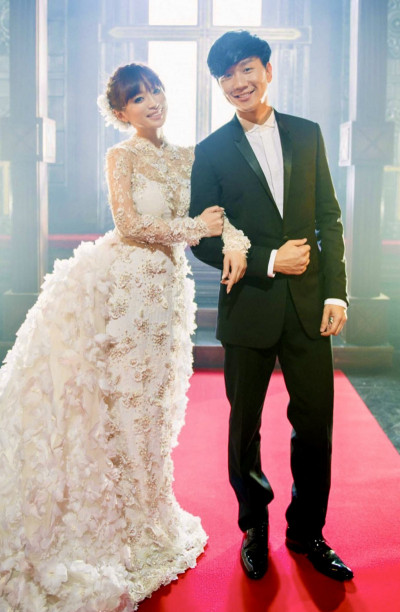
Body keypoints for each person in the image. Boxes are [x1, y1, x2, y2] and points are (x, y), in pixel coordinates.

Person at [0, 63, 249, 611]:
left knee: (156, 404)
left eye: (155, 90)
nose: (152, 101)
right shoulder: (122, 156)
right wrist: (195, 229)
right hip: (128, 288)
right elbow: (130, 224)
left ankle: (152, 506)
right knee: (129, 402)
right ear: (121, 112)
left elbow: (217, 214)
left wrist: (235, 241)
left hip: (169, 294)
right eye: (138, 98)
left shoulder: (188, 156)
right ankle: (130, 519)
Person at [189, 30, 354, 582]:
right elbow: (202, 236)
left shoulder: (307, 134)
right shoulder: (211, 151)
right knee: (245, 429)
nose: (238, 82)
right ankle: (254, 528)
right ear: (220, 85)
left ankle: (308, 531)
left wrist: (336, 291)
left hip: (310, 307)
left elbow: (328, 219)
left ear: (267, 69)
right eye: (226, 76)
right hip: (249, 305)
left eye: (247, 69)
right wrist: (265, 260)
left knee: (316, 426)